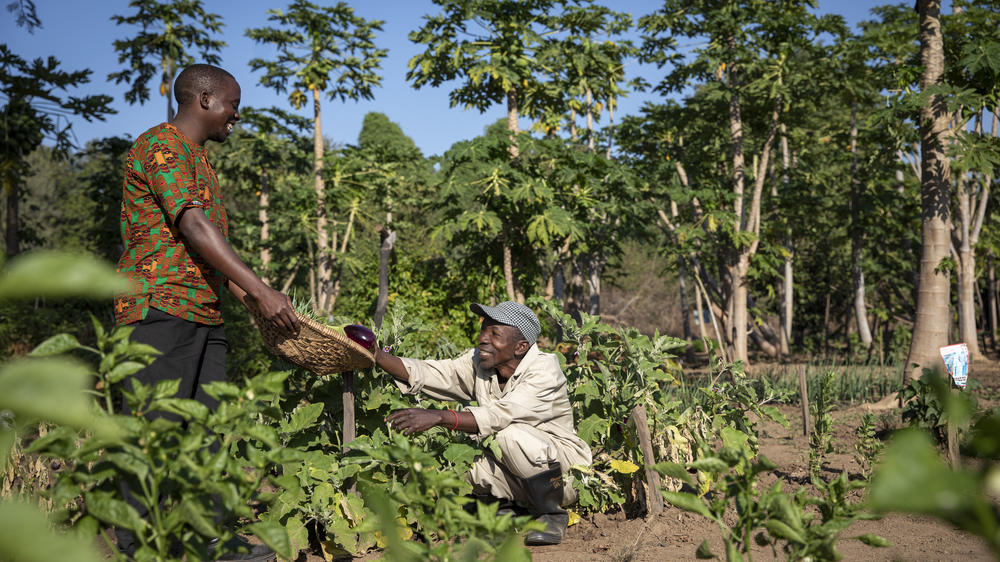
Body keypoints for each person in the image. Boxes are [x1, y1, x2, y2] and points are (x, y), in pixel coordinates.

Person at [114, 63, 298, 561]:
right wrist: (260, 290)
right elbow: (194, 227)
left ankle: (209, 541)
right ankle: (141, 547)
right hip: (157, 308)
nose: (236, 115)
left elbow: (212, 253)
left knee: (207, 431)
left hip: (204, 311)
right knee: (154, 432)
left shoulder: (200, 161)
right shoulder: (160, 145)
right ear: (204, 99)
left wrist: (254, 303)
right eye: (233, 105)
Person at [375, 301, 592, 546]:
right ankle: (508, 509)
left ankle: (552, 514)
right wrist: (377, 355)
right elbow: (435, 373)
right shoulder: (482, 362)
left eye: (494, 334)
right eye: (483, 330)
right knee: (462, 461)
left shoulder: (544, 371)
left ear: (520, 347)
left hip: (562, 477)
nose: (482, 339)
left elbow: (498, 416)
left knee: (508, 436)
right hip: (519, 476)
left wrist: (439, 416)